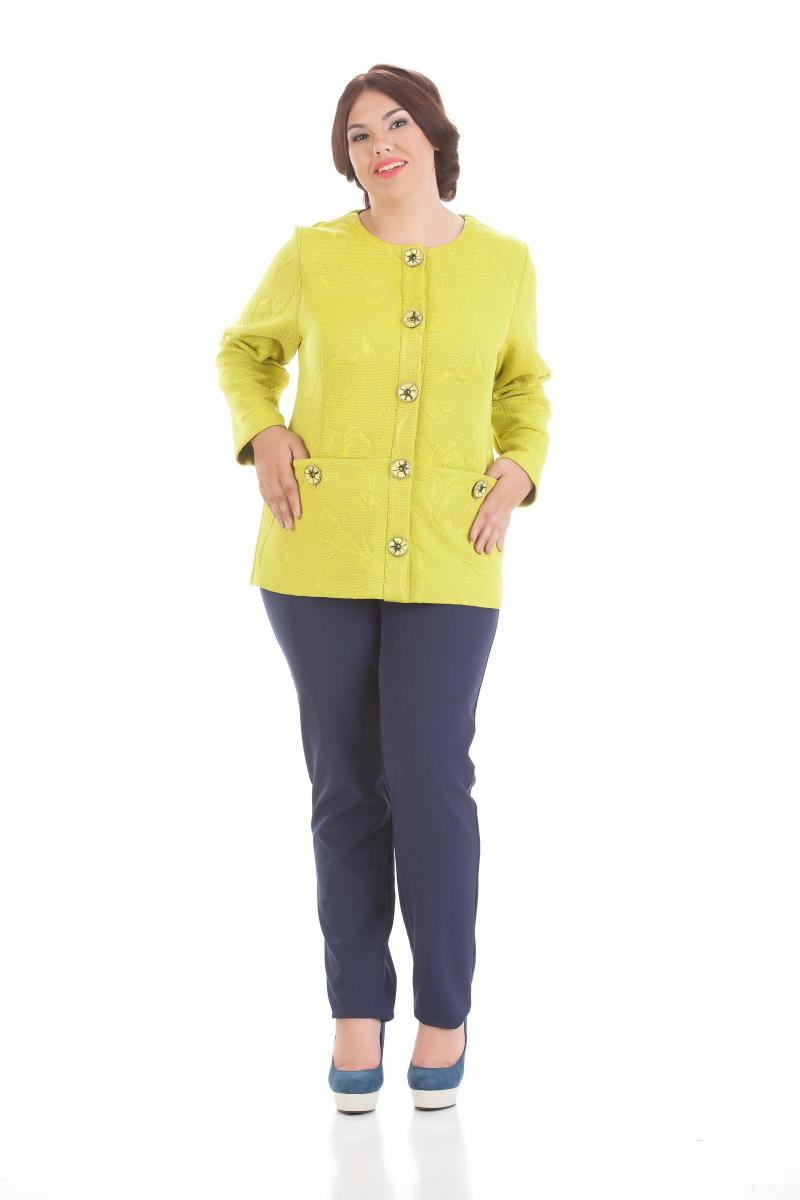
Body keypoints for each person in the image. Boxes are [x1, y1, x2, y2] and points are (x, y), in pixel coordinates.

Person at [215, 64, 552, 1112]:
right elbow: (244, 352)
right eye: (358, 135)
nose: (378, 146)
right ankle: (356, 1010)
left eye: (395, 123)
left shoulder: (502, 261)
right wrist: (263, 430)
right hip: (315, 551)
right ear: (346, 158)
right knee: (346, 785)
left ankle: (445, 1011)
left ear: (434, 135)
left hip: (452, 550)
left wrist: (521, 463)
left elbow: (522, 383)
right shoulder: (312, 254)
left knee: (430, 777)